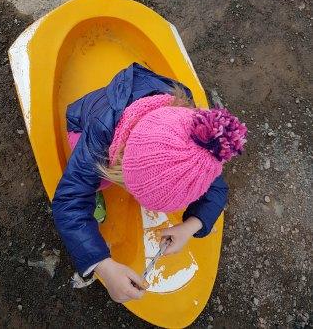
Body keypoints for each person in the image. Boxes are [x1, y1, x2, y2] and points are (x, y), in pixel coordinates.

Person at [52, 62, 247, 303]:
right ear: (124, 164)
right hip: (83, 123)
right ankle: (99, 188)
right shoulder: (99, 136)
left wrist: (190, 226)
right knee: (96, 177)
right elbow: (68, 200)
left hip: (133, 117)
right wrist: (102, 264)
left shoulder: (196, 144)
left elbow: (217, 188)